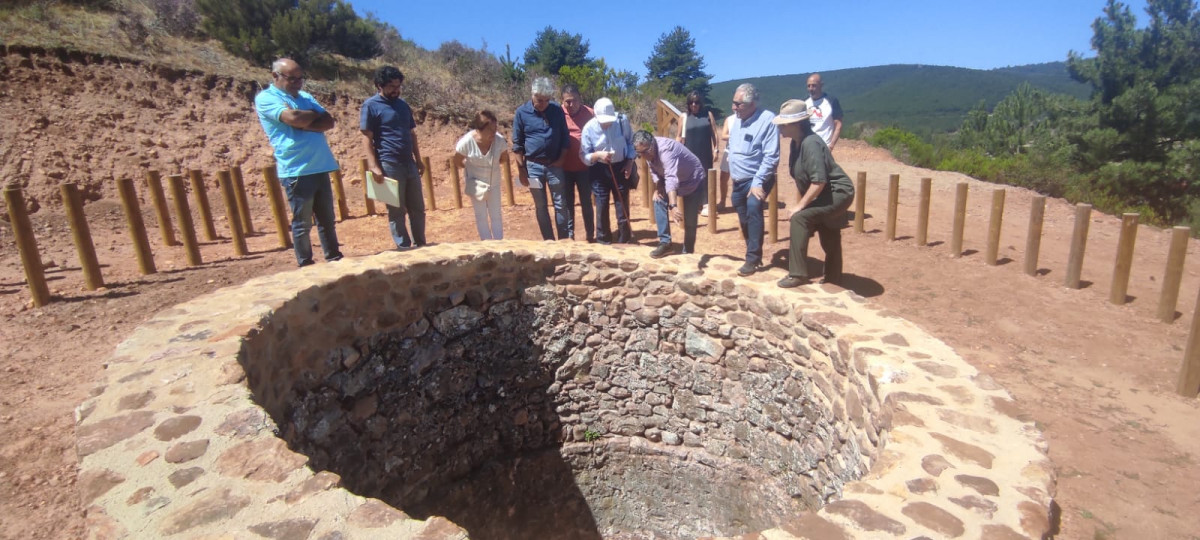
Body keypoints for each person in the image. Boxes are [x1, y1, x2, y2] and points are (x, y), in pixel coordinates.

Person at [254, 57, 343, 267]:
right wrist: (307, 118)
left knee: (327, 221)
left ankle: (334, 259)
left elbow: (328, 121)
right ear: (275, 76)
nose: (297, 82)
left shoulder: (305, 96)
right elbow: (294, 118)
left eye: (300, 78)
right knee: (302, 223)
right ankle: (305, 264)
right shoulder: (266, 98)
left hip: (320, 165)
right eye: (291, 78)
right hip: (296, 169)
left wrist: (303, 121)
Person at [773, 99, 855, 288]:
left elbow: (819, 181)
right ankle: (834, 278)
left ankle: (797, 274)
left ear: (796, 124)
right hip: (824, 194)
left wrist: (799, 206)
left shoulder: (811, 143)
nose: (781, 129)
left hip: (837, 193)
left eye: (784, 124)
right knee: (828, 229)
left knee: (800, 218)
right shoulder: (796, 143)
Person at [360, 65, 427, 249]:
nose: (396, 90)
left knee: (418, 208)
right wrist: (374, 166)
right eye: (391, 86)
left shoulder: (403, 105)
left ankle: (421, 244)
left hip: (409, 163)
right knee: (396, 210)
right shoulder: (370, 106)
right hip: (389, 163)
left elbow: (412, 134)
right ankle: (403, 247)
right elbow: (367, 137)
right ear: (379, 86)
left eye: (398, 86)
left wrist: (418, 159)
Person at [727, 83, 780, 276]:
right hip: (739, 180)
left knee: (753, 208)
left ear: (752, 104)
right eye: (733, 103)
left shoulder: (768, 120)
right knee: (743, 215)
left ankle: (752, 258)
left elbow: (771, 156)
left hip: (757, 177)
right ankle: (752, 251)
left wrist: (758, 182)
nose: (734, 108)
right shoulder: (737, 119)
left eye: (738, 104)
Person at [512, 77, 570, 240]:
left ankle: (564, 241)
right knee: (540, 206)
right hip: (532, 166)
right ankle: (549, 241)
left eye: (547, 100)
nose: (544, 103)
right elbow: (517, 144)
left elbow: (565, 136)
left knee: (560, 205)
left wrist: (562, 159)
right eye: (540, 100)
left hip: (555, 166)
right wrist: (522, 170)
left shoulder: (557, 110)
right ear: (532, 95)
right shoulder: (521, 113)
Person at [633, 130, 707, 258]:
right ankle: (665, 243)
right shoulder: (648, 151)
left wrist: (673, 206)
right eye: (639, 153)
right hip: (671, 179)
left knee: (689, 219)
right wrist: (659, 186)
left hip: (692, 178)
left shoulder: (666, 150)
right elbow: (654, 170)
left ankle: (688, 252)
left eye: (645, 152)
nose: (643, 156)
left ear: (652, 144)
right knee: (658, 199)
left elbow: (671, 177)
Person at [580, 97, 637, 244]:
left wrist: (630, 162)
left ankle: (624, 240)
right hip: (599, 170)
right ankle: (603, 240)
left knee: (622, 205)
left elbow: (631, 143)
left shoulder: (622, 121)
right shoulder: (588, 128)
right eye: (603, 120)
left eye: (609, 120)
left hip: (621, 167)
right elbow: (584, 155)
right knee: (602, 205)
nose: (607, 123)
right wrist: (598, 155)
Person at [452, 110, 506, 240]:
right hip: (476, 184)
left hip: (494, 183)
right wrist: (469, 168)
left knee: (496, 215)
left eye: (495, 129)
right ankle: (487, 244)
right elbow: (457, 161)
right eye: (490, 130)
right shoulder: (466, 142)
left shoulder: (499, 141)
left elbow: (504, 159)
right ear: (479, 129)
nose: (494, 132)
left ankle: (499, 245)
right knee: (480, 215)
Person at [560, 84, 596, 242]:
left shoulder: (590, 113)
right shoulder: (558, 113)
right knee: (567, 203)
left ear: (580, 99)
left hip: (585, 167)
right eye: (567, 101)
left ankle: (590, 234)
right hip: (564, 167)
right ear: (562, 101)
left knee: (586, 202)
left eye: (574, 101)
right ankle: (570, 234)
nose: (570, 105)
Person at [703, 114, 736, 218]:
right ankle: (722, 201)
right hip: (729, 151)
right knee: (723, 178)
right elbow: (724, 135)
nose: (735, 107)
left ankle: (738, 201)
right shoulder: (730, 119)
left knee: (738, 179)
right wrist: (738, 135)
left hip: (744, 152)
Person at [805, 73, 844, 150]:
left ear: (821, 85)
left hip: (824, 146)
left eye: (814, 85)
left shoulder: (831, 101)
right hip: (808, 146)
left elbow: (838, 124)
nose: (811, 88)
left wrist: (831, 145)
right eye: (808, 86)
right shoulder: (804, 102)